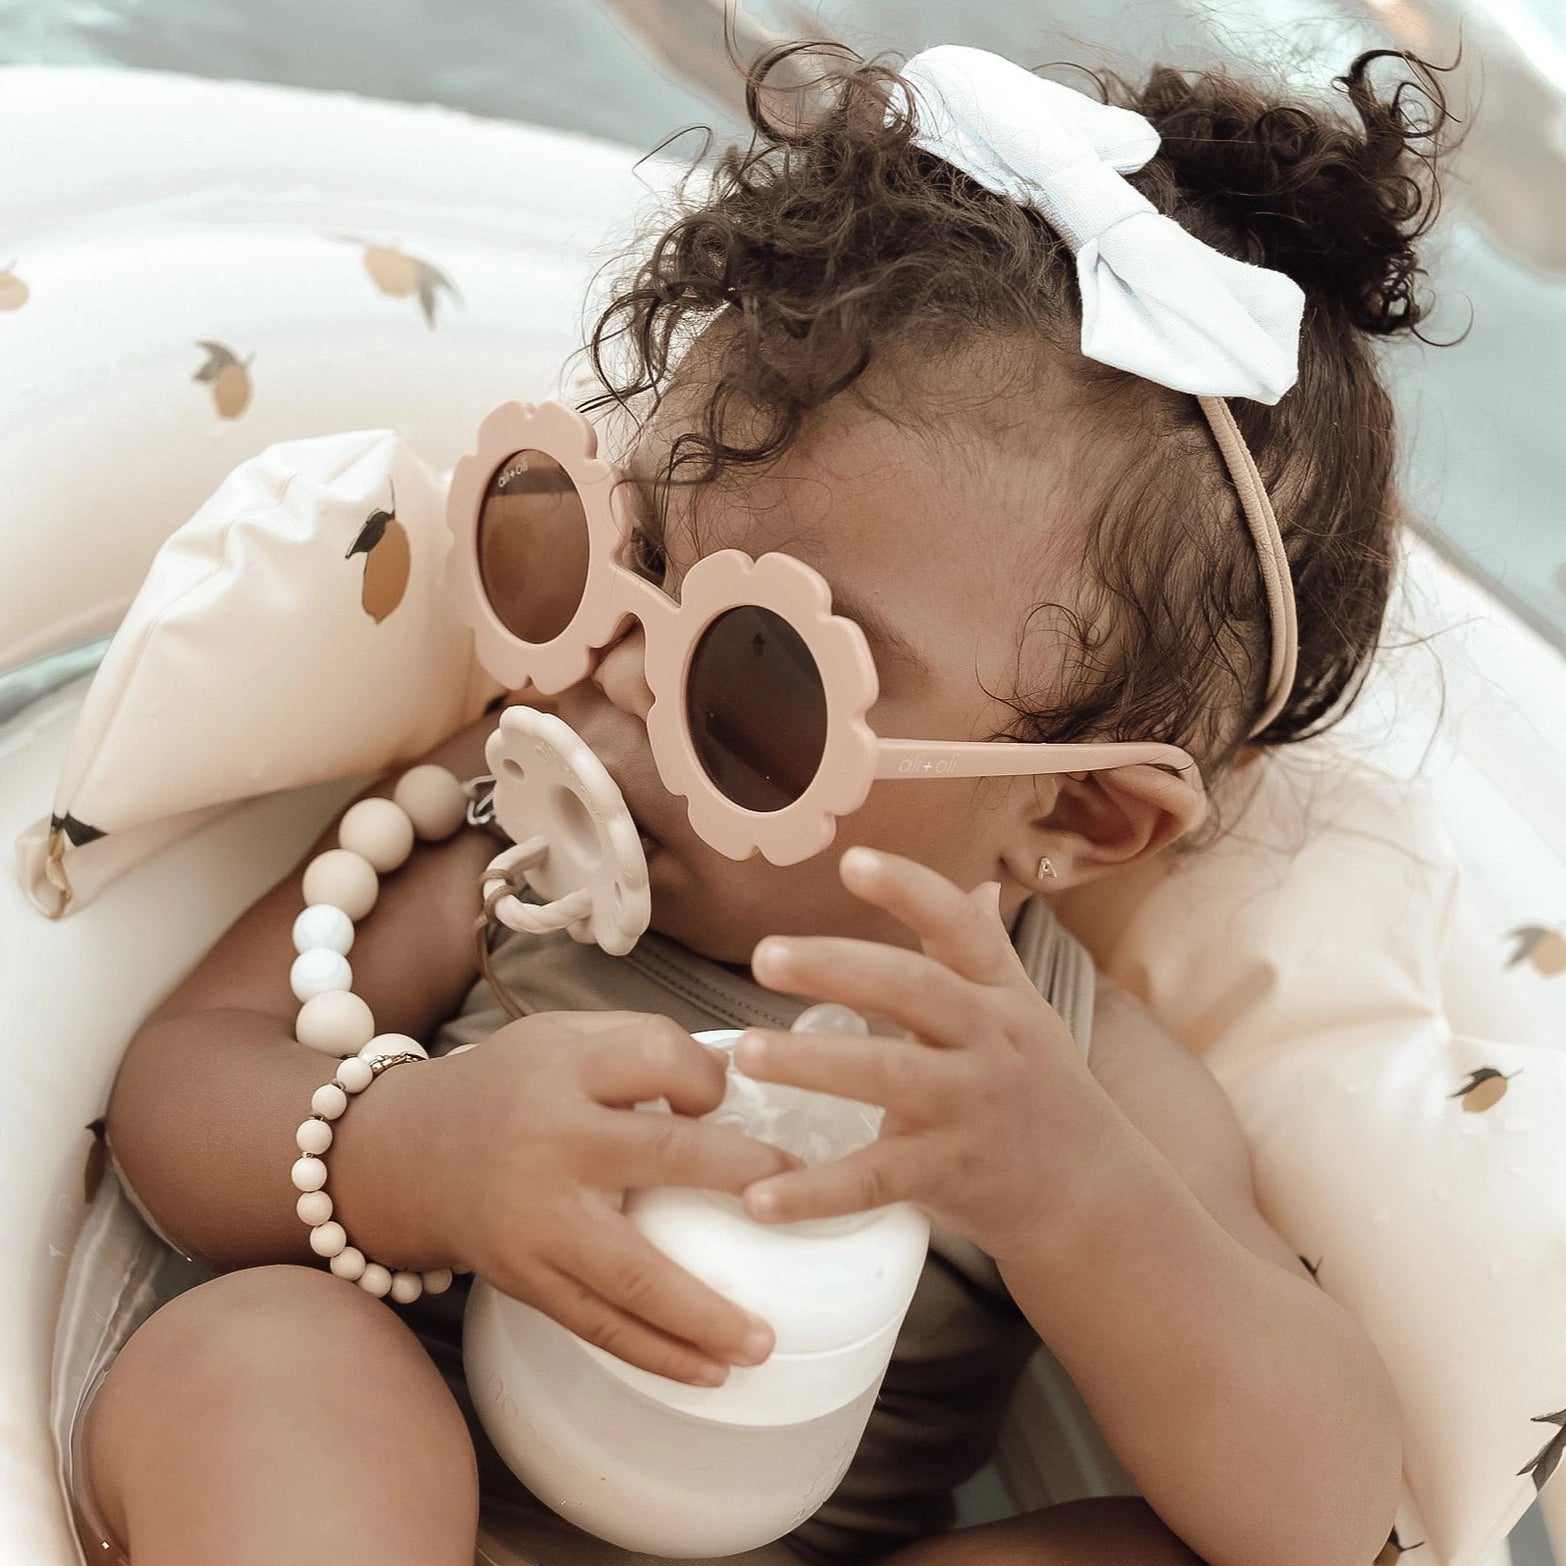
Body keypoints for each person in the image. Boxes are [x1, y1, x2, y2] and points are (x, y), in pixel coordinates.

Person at [69, 35, 1450, 1566]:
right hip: (403, 1516)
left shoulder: (1071, 1079)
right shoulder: (514, 831)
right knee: (269, 1358)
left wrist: (1073, 1200)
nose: (623, 676)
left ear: (1078, 819)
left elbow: (1326, 1513)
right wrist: (411, 1150)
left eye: (758, 674)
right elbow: (174, 1094)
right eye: (634, 555)